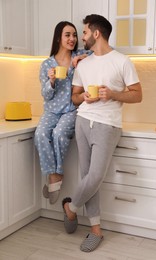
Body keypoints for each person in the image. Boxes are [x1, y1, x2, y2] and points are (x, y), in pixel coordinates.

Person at [62, 14, 142, 252]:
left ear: (96, 33)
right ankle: (96, 230)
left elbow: (137, 94)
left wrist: (113, 94)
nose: (81, 37)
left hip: (108, 125)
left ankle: (71, 208)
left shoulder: (122, 61)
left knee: (95, 177)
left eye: (84, 32)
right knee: (87, 176)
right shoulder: (83, 63)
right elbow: (74, 97)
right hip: (83, 121)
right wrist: (83, 97)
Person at [35, 21, 88, 205]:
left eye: (74, 35)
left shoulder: (81, 55)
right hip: (51, 110)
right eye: (67, 35)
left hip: (72, 109)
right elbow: (46, 95)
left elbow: (104, 49)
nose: (72, 38)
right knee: (40, 133)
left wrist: (82, 59)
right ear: (59, 37)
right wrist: (50, 81)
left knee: (58, 134)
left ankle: (54, 177)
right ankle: (54, 175)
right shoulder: (46, 64)